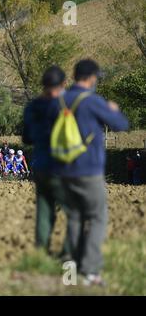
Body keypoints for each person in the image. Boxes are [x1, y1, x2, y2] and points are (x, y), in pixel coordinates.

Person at [48, 59, 129, 286]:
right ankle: (90, 272)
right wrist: (113, 110)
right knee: (97, 217)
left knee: (74, 218)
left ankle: (70, 272)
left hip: (64, 169)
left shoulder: (59, 101)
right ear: (92, 77)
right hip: (88, 169)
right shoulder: (92, 101)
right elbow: (121, 124)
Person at [23, 66, 69, 254]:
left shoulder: (32, 107)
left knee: (44, 210)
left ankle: (40, 254)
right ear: (63, 84)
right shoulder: (66, 105)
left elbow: (26, 139)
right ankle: (68, 256)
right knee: (73, 213)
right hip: (63, 165)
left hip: (41, 165)